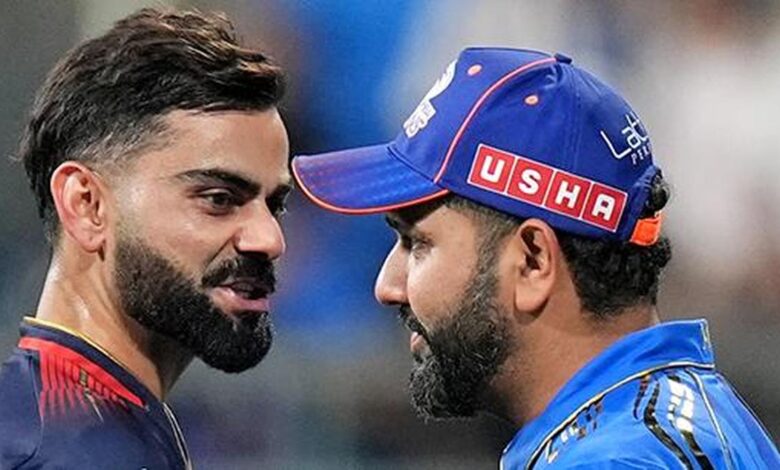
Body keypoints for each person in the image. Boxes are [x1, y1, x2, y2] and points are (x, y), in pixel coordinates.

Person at [292, 48, 780, 468]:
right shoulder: (662, 422)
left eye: (417, 244)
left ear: (532, 261)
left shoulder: (615, 459)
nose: (386, 286)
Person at [0, 8, 290, 469]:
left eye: (275, 205)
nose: (270, 239)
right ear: (87, 205)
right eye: (218, 199)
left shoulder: (75, 429)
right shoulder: (56, 454)